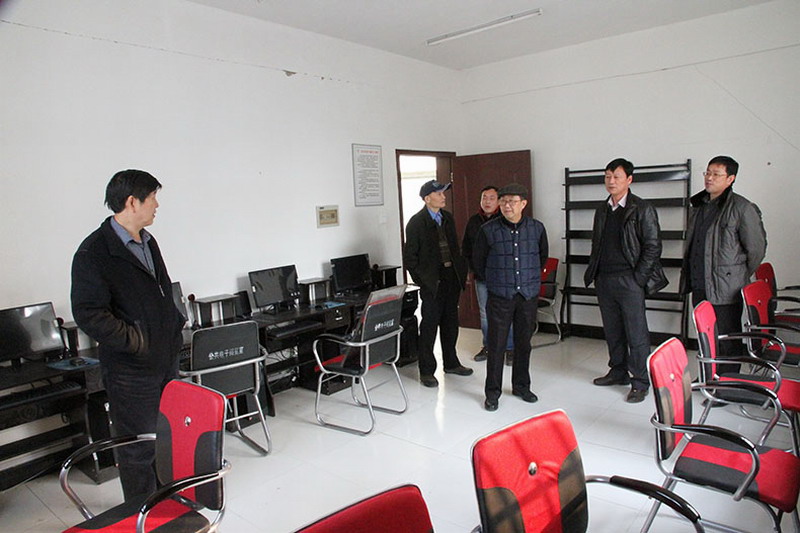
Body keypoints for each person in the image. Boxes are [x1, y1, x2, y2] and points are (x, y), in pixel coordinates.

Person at [71, 169, 184, 500]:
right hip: (130, 370)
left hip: (164, 360)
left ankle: (166, 501)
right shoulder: (94, 252)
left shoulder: (148, 242)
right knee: (138, 447)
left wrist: (174, 325)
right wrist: (136, 341)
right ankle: (142, 512)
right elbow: (88, 313)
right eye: (152, 198)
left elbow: (160, 293)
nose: (157, 205)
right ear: (133, 202)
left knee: (166, 437)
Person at [584, 158, 668, 403]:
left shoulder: (642, 208)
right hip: (604, 279)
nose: (611, 181)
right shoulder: (602, 209)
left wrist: (638, 278)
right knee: (613, 330)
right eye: (607, 176)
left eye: (616, 176)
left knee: (636, 333)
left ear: (629, 180)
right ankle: (618, 371)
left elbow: (653, 246)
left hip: (629, 280)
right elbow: (597, 244)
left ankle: (640, 381)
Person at [680, 155, 766, 365]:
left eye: (716, 174)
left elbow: (756, 250)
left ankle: (727, 380)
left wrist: (736, 274)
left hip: (726, 289)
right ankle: (709, 377)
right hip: (699, 284)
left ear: (730, 179)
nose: (709, 178)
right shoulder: (699, 206)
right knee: (705, 336)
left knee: (727, 339)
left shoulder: (742, 208)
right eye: (707, 173)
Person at [473, 183, 548, 411]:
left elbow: (541, 257)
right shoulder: (488, 230)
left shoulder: (536, 228)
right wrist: (497, 281)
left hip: (527, 295)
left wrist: (528, 279)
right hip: (499, 296)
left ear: (523, 204)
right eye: (503, 201)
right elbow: (478, 262)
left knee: (523, 344)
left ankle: (521, 386)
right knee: (496, 345)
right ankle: (492, 393)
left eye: (512, 201)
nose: (507, 206)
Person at [403, 179, 473, 387]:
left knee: (451, 323)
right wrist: (423, 281)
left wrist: (461, 271)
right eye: (439, 194)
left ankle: (451, 363)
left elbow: (455, 248)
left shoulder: (447, 218)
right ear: (427, 198)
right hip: (432, 282)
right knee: (429, 326)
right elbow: (410, 259)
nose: (443, 197)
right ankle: (426, 370)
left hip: (451, 278)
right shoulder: (416, 223)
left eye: (443, 193)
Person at [461, 185, 513, 364]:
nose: (487, 201)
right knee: (485, 313)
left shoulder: (505, 219)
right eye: (484, 198)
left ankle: (510, 348)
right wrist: (471, 269)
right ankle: (489, 346)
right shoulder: (474, 221)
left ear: (499, 201)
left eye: (491, 198)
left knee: (506, 312)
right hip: (482, 277)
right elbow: (466, 248)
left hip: (504, 277)